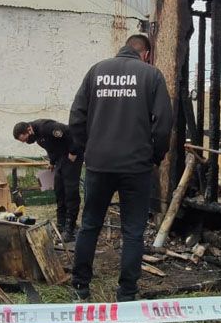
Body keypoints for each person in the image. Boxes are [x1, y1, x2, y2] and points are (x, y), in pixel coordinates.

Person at [69, 34, 172, 302]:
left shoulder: (96, 72)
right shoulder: (151, 75)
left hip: (99, 164)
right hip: (136, 167)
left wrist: (86, 150)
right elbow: (163, 124)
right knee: (133, 231)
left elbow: (77, 117)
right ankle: (126, 293)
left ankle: (80, 286)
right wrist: (155, 156)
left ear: (123, 48)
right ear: (146, 54)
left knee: (90, 225)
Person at [13, 119, 82, 242]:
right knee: (59, 191)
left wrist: (73, 151)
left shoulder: (46, 127)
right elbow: (52, 147)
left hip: (72, 157)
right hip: (60, 159)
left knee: (70, 192)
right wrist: (52, 161)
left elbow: (69, 132)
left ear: (29, 130)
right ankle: (61, 225)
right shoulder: (37, 136)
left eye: (25, 139)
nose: (26, 142)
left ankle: (70, 229)